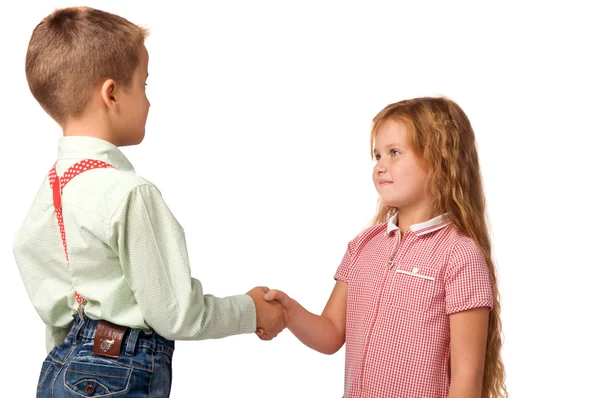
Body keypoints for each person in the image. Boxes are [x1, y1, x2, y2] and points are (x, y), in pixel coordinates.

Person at [13, 7, 286, 397]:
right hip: (118, 376)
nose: (148, 101)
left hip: (59, 369)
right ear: (111, 94)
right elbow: (176, 314)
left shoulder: (53, 189)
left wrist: (74, 360)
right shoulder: (129, 194)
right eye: (143, 85)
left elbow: (49, 294)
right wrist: (251, 310)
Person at [260, 97, 507, 397]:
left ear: (441, 161)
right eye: (377, 156)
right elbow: (331, 333)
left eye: (394, 153)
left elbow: (466, 378)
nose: (380, 167)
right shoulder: (363, 246)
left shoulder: (459, 256)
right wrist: (290, 314)